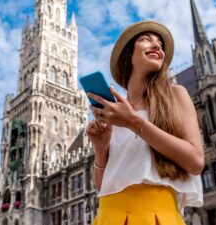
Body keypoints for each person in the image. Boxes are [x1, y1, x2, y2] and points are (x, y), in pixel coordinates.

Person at [86, 20, 204, 225]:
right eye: (146, 39)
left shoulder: (175, 95)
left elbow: (195, 162)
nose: (157, 45)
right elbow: (104, 186)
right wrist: (101, 148)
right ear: (128, 55)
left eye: (160, 43)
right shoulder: (115, 112)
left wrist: (133, 122)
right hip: (108, 216)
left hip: (156, 216)